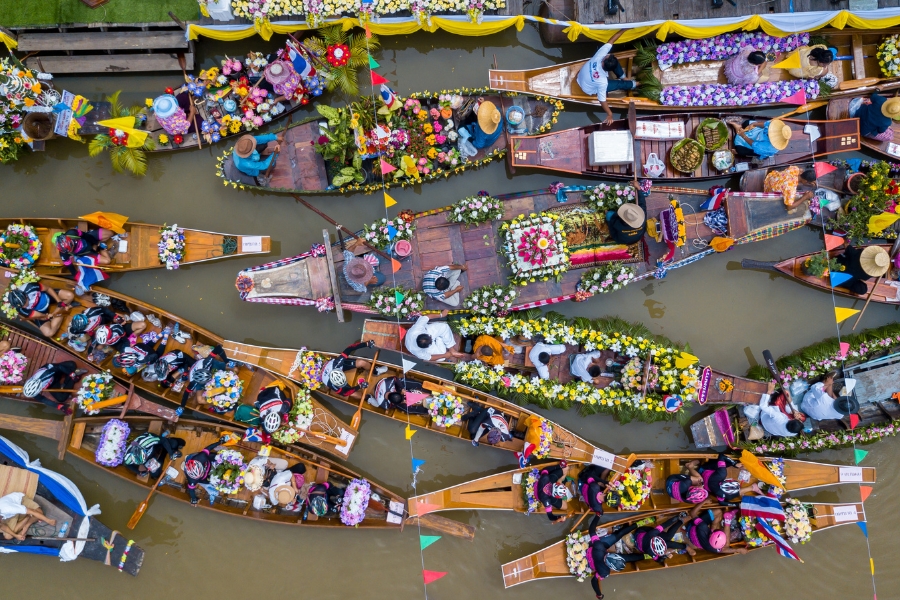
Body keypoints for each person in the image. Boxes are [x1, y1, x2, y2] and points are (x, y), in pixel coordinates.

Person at [575, 29, 634, 125]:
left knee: (614, 61)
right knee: (618, 84)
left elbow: (611, 41)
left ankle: (623, 76)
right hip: (587, 88)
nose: (606, 55)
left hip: (581, 76)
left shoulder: (600, 56)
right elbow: (602, 99)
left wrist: (624, 29)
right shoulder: (603, 82)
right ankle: (634, 84)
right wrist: (609, 114)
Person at [7, 279, 75, 337]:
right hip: (40, 311)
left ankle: (60, 310)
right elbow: (39, 316)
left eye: (25, 303)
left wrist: (59, 301)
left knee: (70, 295)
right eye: (22, 306)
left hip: (47, 297)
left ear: (26, 296)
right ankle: (63, 308)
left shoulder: (30, 287)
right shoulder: (20, 309)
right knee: (48, 333)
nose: (24, 306)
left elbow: (48, 288)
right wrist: (47, 316)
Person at [320, 340, 388, 398]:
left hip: (338, 366)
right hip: (327, 376)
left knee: (362, 363)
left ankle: (374, 371)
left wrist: (366, 344)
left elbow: (350, 348)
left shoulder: (337, 363)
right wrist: (359, 386)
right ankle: (367, 398)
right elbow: (345, 393)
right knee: (353, 394)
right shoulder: (331, 384)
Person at [687, 453, 758, 505]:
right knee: (729, 497)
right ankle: (693, 466)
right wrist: (736, 504)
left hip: (702, 471)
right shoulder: (721, 494)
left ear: (729, 480)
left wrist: (735, 464)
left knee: (724, 463)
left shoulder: (722, 474)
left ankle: (692, 466)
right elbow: (722, 502)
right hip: (702, 481)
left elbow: (721, 456)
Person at [681, 504, 747, 557]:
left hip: (693, 530)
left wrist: (704, 501)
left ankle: (728, 520)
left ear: (711, 533)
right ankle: (727, 519)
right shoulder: (714, 547)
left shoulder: (703, 527)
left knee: (718, 512)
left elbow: (692, 513)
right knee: (719, 513)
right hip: (696, 536)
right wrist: (738, 550)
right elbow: (724, 550)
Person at [22, 361, 87, 414]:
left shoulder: (46, 374)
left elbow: (59, 367)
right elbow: (42, 399)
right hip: (51, 384)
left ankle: (72, 377)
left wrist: (72, 374)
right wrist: (58, 406)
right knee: (61, 399)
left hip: (55, 372)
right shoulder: (32, 390)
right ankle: (71, 380)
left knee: (72, 364)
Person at [183, 435, 228, 506]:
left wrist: (220, 442)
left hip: (208, 462)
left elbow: (209, 448)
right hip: (204, 477)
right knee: (211, 481)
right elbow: (191, 490)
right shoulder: (192, 480)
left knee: (216, 457)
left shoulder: (201, 457)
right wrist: (194, 499)